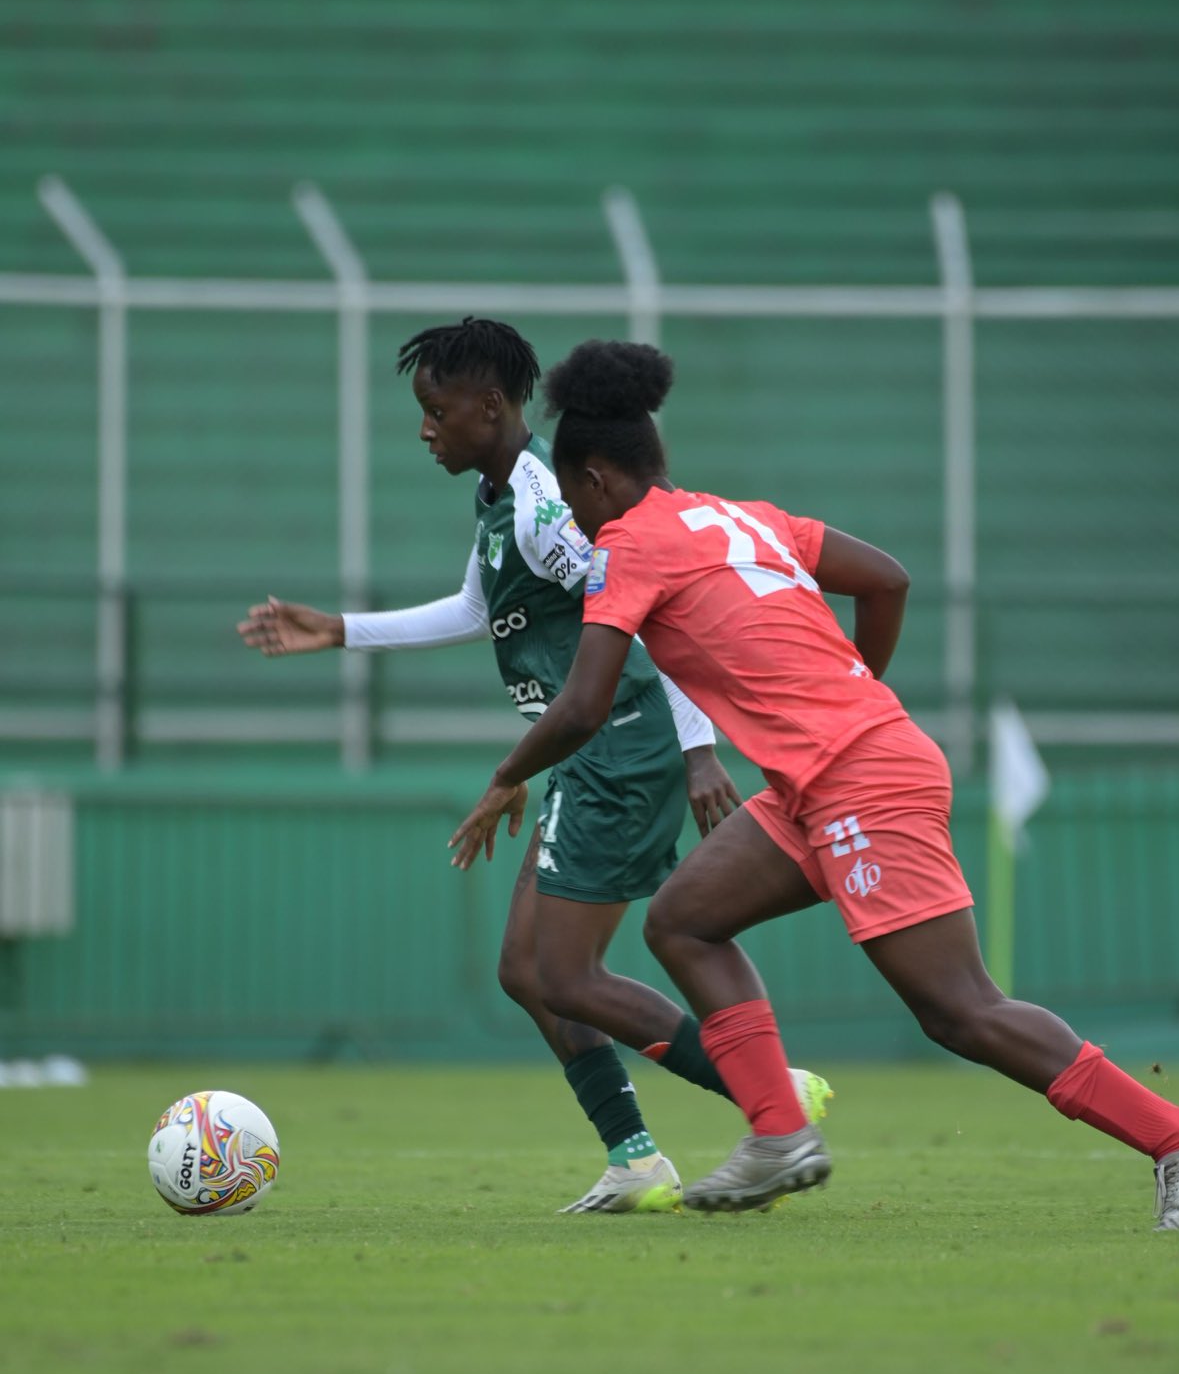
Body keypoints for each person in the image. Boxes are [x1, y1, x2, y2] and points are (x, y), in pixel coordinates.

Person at [452, 338, 1179, 1231]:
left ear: (595, 479)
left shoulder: (628, 544)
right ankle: (779, 1133)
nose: (580, 524)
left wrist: (505, 777)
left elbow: (583, 705)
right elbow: (887, 579)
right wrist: (856, 691)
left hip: (860, 776)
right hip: (833, 770)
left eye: (578, 504)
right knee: (684, 920)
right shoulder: (747, 518)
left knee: (959, 1009)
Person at [238, 318, 827, 1215]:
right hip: (588, 750)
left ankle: (770, 1096)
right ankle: (636, 1158)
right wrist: (342, 631)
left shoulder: (546, 508)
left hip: (620, 745)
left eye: (436, 411)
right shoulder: (502, 495)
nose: (425, 429)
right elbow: (479, 608)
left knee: (564, 974)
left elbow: (657, 600)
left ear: (489, 406)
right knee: (527, 969)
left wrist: (699, 745)